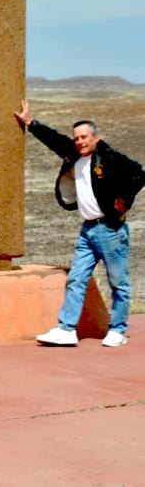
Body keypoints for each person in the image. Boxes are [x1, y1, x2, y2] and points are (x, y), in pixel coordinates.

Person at [15, 100, 145, 347]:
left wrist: (124, 200)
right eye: (77, 138)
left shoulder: (109, 157)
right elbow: (54, 139)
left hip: (110, 230)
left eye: (84, 137)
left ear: (95, 138)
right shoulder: (75, 154)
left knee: (118, 282)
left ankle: (117, 330)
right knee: (76, 278)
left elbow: (139, 173)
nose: (80, 141)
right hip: (88, 230)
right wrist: (31, 123)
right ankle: (67, 329)